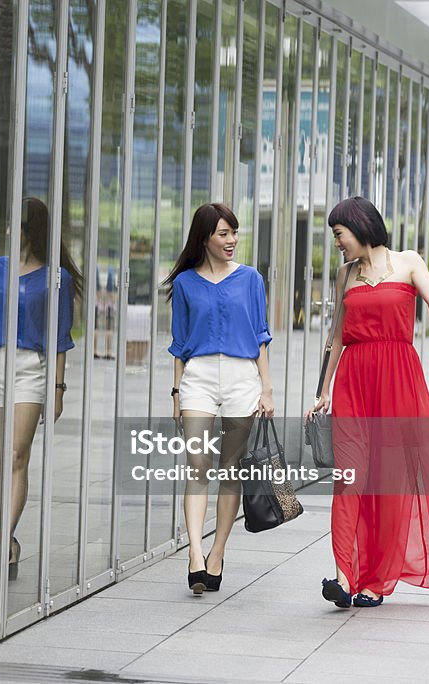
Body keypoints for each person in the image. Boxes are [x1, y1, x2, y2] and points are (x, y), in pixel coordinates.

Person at [307, 196, 429, 608]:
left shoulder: (409, 262)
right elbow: (337, 336)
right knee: (350, 479)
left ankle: (375, 580)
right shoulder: (345, 275)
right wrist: (323, 391)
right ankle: (344, 575)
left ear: (359, 227)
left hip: (398, 384)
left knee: (388, 484)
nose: (337, 243)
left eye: (339, 235)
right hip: (354, 385)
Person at [162, 203, 274, 595]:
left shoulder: (250, 280)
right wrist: (176, 393)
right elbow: (178, 345)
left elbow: (261, 335)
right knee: (198, 465)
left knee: (230, 468)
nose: (231, 241)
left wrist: (267, 388)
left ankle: (218, 552)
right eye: (223, 234)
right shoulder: (185, 284)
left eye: (234, 233)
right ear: (205, 237)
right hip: (199, 378)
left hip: (243, 377)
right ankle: (194, 553)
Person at [0, 197, 83, 580]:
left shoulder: (56, 277)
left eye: (14, 224)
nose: (7, 231)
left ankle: (3, 539)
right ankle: (11, 540)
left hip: (31, 368)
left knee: (18, 455)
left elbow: (60, 337)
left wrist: (59, 389)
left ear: (30, 230)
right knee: (0, 457)